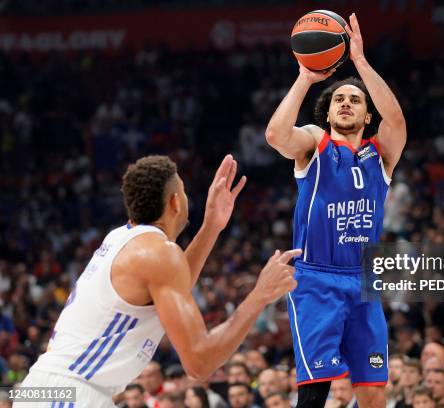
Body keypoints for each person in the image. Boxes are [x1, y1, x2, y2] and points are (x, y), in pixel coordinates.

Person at [16, 155, 300, 407]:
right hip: (69, 393)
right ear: (176, 202)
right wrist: (259, 295)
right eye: (185, 193)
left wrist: (211, 226)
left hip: (51, 387)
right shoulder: (158, 253)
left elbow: (174, 284)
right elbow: (200, 363)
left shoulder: (122, 238)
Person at [265, 12, 406, 408]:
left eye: (355, 101)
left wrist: (360, 62)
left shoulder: (382, 156)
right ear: (327, 114)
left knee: (373, 391)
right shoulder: (315, 143)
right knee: (315, 389)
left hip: (363, 282)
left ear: (367, 115)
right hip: (316, 280)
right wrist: (306, 78)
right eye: (339, 99)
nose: (346, 103)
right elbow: (276, 135)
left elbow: (395, 119)